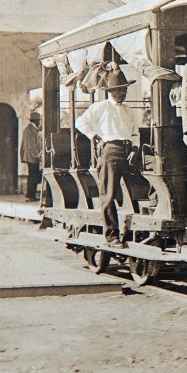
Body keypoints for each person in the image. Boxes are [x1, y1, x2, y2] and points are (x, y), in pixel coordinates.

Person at [75, 68, 139, 248]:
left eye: (124, 89)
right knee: (109, 193)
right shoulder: (101, 107)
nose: (123, 93)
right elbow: (80, 122)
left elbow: (135, 132)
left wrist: (135, 148)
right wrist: (95, 137)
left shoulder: (128, 110)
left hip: (129, 151)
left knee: (150, 175)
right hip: (111, 151)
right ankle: (111, 236)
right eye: (119, 90)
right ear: (111, 91)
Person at [20, 111, 43, 202]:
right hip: (32, 158)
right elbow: (32, 146)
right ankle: (30, 195)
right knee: (33, 176)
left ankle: (30, 195)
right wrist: (38, 156)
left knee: (33, 175)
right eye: (39, 120)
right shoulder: (31, 131)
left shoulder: (30, 129)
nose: (40, 122)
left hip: (30, 157)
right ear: (36, 121)